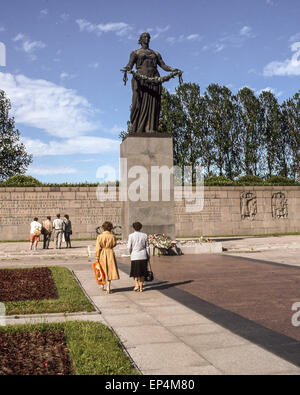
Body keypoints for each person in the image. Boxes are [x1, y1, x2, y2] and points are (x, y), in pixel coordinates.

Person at [123, 32, 180, 134]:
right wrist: (127, 68)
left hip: (154, 79)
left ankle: (151, 128)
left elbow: (163, 65)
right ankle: (137, 128)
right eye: (145, 37)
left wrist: (173, 69)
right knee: (138, 103)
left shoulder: (156, 53)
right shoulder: (135, 52)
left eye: (148, 37)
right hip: (141, 80)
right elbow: (130, 64)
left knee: (154, 104)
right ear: (140, 40)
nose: (147, 39)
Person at [95, 221, 120, 294]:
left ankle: (102, 284)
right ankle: (108, 287)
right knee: (109, 269)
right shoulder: (112, 236)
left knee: (102, 269)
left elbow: (97, 247)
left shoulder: (100, 236)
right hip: (110, 253)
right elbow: (114, 244)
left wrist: (97, 256)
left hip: (102, 253)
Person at [128, 222, 150, 293]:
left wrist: (131, 253)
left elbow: (129, 247)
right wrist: (148, 255)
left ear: (133, 227)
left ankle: (136, 284)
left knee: (135, 272)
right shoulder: (145, 235)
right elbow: (147, 247)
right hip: (143, 256)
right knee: (142, 273)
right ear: (141, 227)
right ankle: (141, 287)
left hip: (135, 256)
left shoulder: (131, 236)